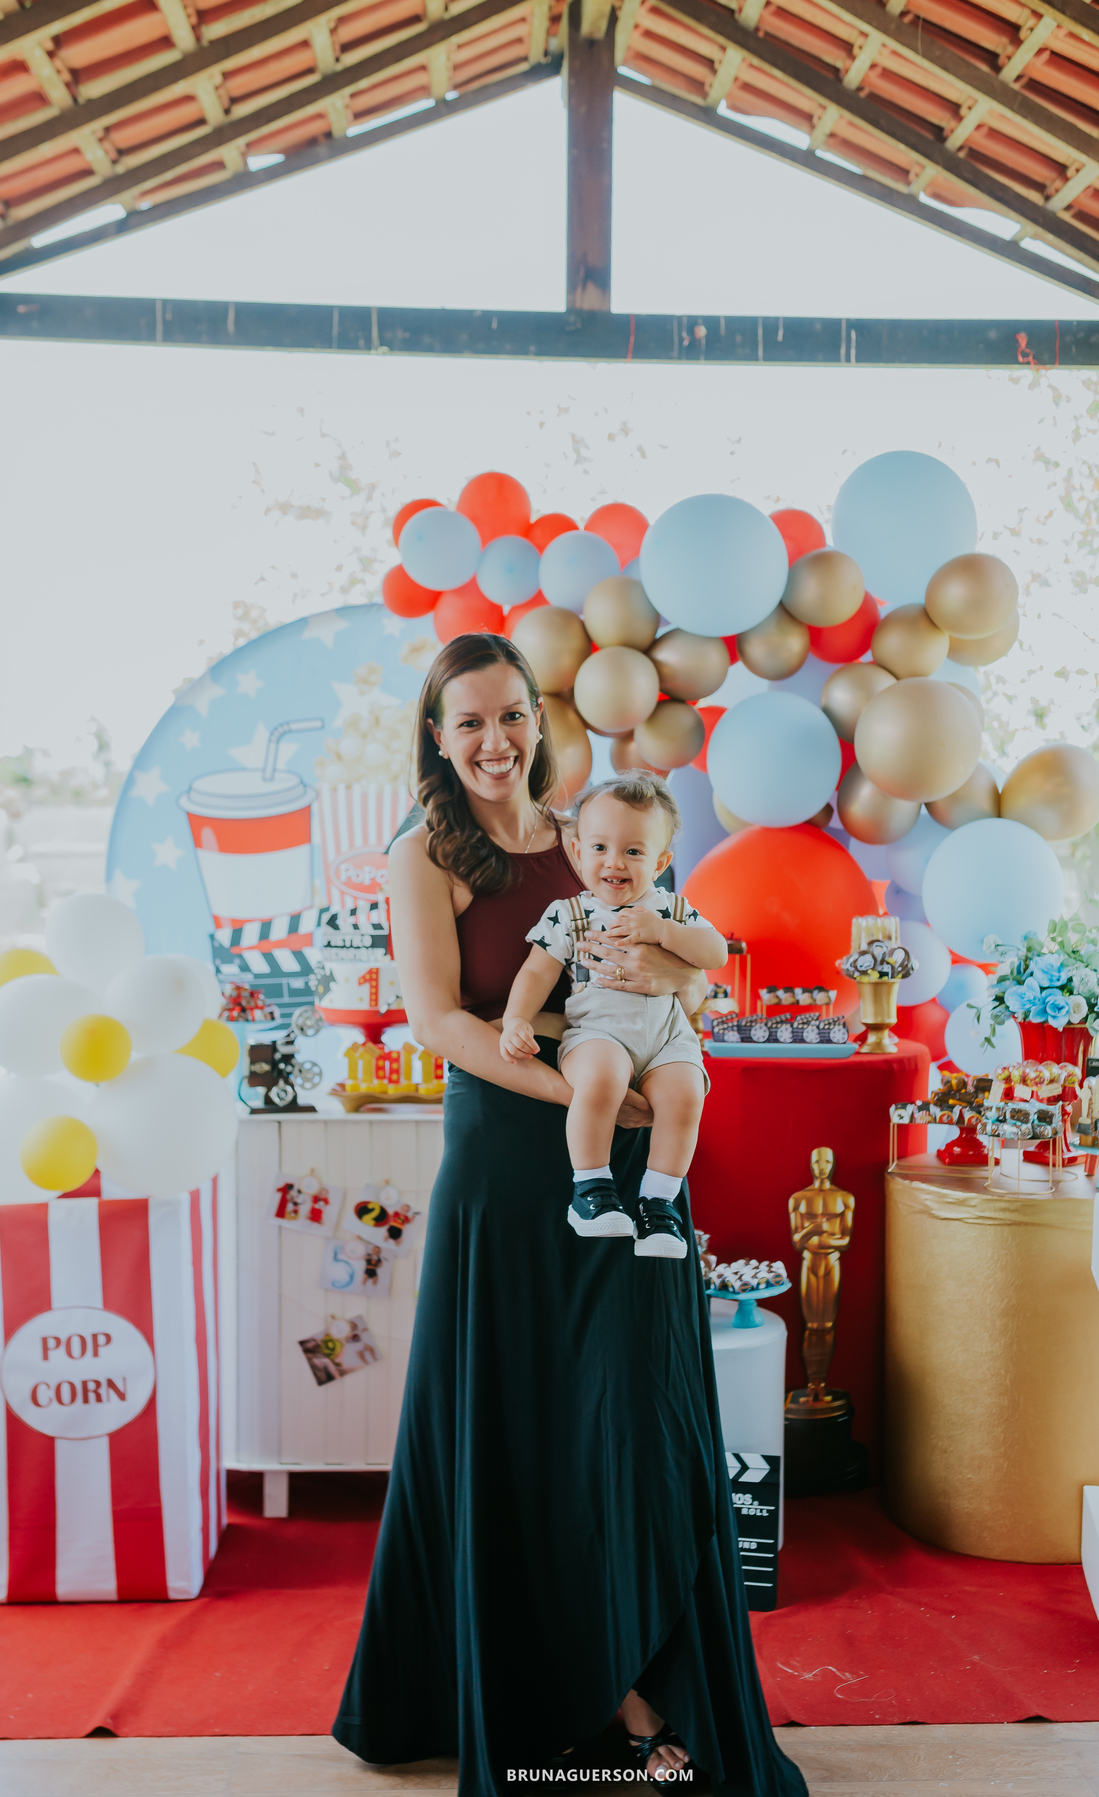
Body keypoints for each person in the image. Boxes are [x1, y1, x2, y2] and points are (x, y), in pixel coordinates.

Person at [333, 632, 807, 1797]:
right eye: (468, 724)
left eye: (509, 717)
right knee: (518, 1427)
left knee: (641, 1420)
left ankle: (657, 1670)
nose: (494, 741)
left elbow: (697, 960)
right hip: (508, 1166)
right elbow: (444, 1024)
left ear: (536, 724)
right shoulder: (424, 855)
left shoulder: (591, 833)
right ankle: (597, 1700)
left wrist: (674, 991)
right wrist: (591, 1091)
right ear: (438, 742)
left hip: (637, 1166)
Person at [500, 773, 727, 1259]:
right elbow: (537, 972)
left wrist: (663, 931)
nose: (614, 862)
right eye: (600, 847)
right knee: (601, 1078)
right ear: (578, 852)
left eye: (634, 851)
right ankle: (592, 1190)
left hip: (667, 1037)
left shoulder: (671, 908)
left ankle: (658, 1203)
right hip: (598, 1033)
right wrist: (517, 1017)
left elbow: (715, 953)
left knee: (686, 1094)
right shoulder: (569, 914)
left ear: (661, 862)